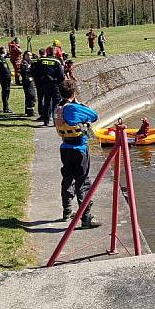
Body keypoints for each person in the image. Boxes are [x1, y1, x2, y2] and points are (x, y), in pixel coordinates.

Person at [55, 80, 101, 229]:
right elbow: (94, 116)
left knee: (67, 178)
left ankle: (67, 210)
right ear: (73, 93)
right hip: (79, 149)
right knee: (83, 182)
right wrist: (79, 103)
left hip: (65, 148)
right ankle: (86, 217)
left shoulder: (58, 108)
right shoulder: (75, 108)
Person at [33, 49, 64, 125]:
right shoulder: (56, 61)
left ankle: (46, 121)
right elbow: (61, 75)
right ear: (54, 53)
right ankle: (55, 121)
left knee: (47, 102)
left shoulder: (40, 61)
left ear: (47, 53)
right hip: (55, 84)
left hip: (45, 85)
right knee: (56, 104)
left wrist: (39, 82)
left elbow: (35, 72)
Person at [0, 46, 13, 114]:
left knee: (4, 92)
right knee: (6, 92)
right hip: (5, 78)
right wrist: (9, 77)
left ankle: (5, 107)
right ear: (4, 51)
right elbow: (6, 70)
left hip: (1, 78)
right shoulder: (2, 60)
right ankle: (6, 108)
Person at [20, 51, 37, 117]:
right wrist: (29, 77)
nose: (30, 57)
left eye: (31, 55)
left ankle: (28, 110)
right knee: (31, 96)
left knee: (29, 96)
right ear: (25, 56)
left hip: (30, 81)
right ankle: (30, 111)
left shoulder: (29, 62)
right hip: (27, 82)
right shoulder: (24, 63)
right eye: (29, 55)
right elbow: (25, 72)